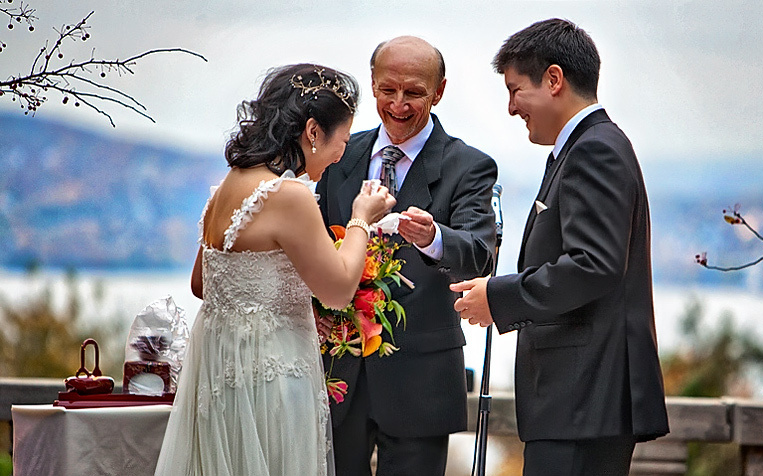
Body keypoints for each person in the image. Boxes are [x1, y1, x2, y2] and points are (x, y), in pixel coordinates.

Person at [450, 19, 669, 475]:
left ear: (554, 79)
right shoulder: (585, 148)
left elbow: (595, 264)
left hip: (585, 401)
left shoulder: (595, 150)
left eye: (515, 90)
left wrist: (499, 297)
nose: (511, 108)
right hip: (580, 403)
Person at [154, 63, 396, 476]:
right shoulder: (290, 196)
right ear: (314, 132)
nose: (343, 152)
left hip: (220, 378)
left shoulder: (228, 186)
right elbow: (337, 290)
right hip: (271, 383)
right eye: (343, 138)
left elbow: (201, 284)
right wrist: (361, 218)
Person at [316, 36, 497, 476]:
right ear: (373, 85)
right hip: (337, 370)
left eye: (414, 92)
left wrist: (435, 237)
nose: (398, 105)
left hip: (421, 377)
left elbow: (479, 255)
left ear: (439, 92)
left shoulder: (469, 166)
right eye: (387, 90)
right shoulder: (337, 155)